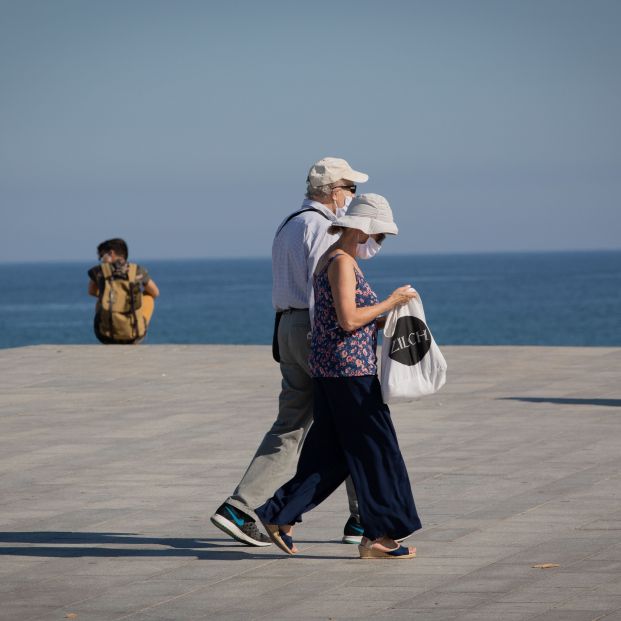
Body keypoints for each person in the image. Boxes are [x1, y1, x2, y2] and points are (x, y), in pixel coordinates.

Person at [211, 157, 375, 547]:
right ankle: (363, 520)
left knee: (293, 425)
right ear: (333, 191)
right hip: (314, 329)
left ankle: (240, 506)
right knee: (351, 421)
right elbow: (330, 282)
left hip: (287, 326)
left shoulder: (291, 223)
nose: (353, 197)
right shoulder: (320, 227)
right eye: (350, 189)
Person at [255, 194, 422, 559]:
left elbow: (339, 319)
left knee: (331, 454)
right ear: (362, 229)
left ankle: (277, 514)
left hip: (334, 368)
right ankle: (379, 535)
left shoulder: (333, 258)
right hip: (350, 372)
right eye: (379, 235)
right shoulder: (341, 262)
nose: (378, 242)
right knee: (378, 450)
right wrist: (391, 303)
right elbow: (348, 319)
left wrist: (384, 317)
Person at [87, 238, 160, 344]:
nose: (101, 260)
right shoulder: (137, 270)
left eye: (102, 256)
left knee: (102, 298)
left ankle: (109, 326)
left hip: (105, 335)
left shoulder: (99, 271)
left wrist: (110, 296)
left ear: (111, 253)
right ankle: (136, 329)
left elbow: (91, 291)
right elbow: (155, 292)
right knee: (149, 297)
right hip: (133, 335)